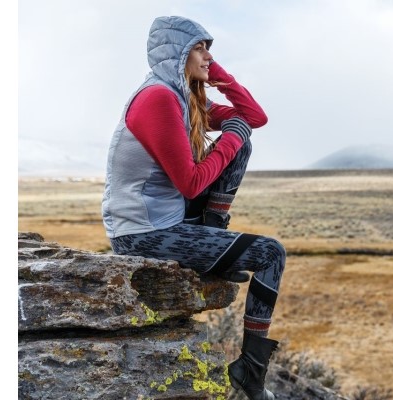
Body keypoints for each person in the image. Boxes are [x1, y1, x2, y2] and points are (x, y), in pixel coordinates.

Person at [101, 16, 283, 400]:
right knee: (271, 254)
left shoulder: (182, 95)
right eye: (200, 47)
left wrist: (214, 73)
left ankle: (211, 234)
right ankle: (251, 372)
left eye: (209, 48)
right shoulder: (159, 99)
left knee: (241, 138)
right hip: (143, 234)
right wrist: (230, 139)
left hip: (164, 218)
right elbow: (192, 182)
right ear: (178, 53)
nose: (208, 56)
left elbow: (254, 117)